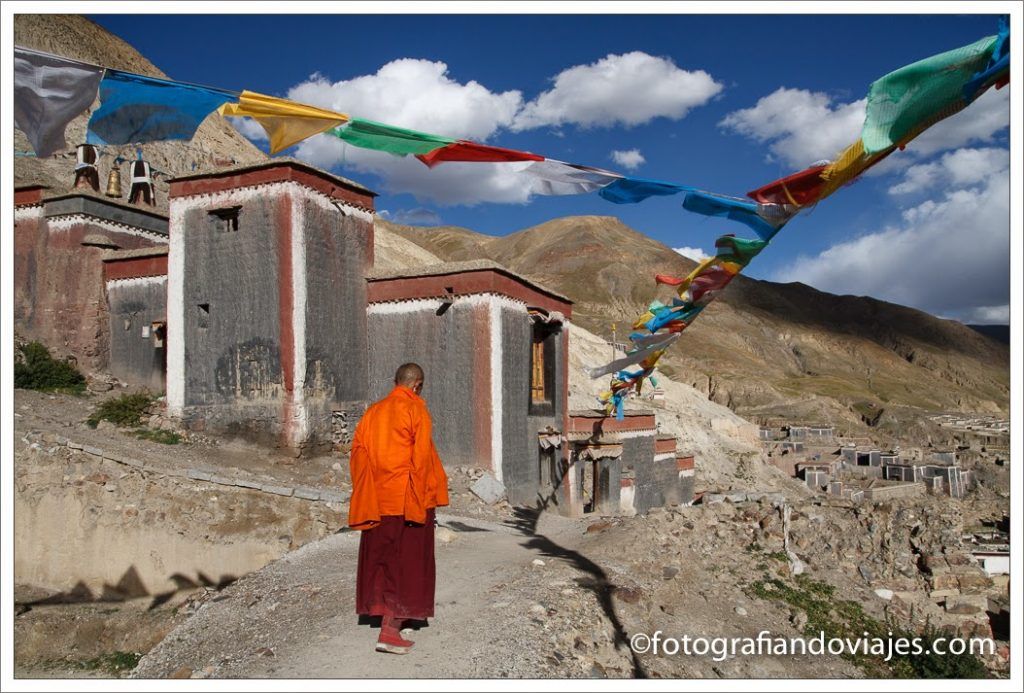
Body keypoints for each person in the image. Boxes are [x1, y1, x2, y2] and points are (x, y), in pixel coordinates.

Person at [348, 362, 449, 654]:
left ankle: (382, 613)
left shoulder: (373, 412)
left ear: (397, 382)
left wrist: (369, 491)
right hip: (407, 501)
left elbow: (358, 455)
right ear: (417, 385)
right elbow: (420, 462)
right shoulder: (415, 409)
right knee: (407, 562)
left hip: (378, 501)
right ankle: (390, 630)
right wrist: (419, 504)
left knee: (383, 560)